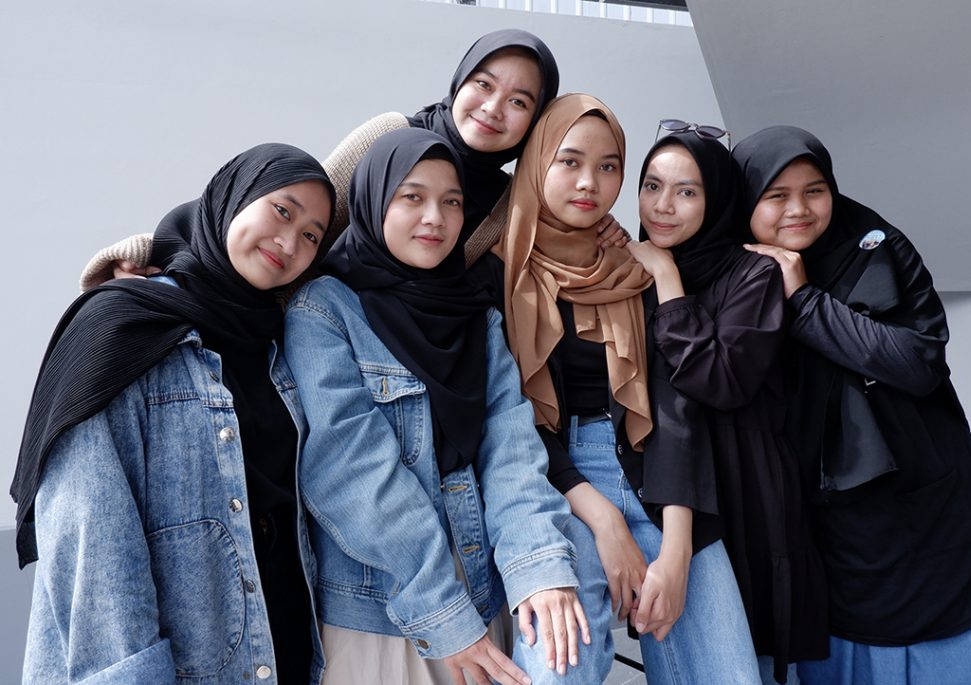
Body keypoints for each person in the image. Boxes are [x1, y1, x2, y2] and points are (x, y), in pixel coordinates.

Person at [283, 127, 614, 685]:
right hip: (386, 608)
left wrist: (538, 569)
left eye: (452, 202)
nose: (435, 217)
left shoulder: (476, 317)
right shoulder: (323, 311)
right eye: (412, 197)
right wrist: (447, 615)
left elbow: (513, 455)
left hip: (482, 586)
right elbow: (354, 477)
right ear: (373, 200)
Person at [14, 143, 337, 683]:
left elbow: (386, 184)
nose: (289, 242)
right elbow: (90, 532)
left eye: (311, 236)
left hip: (283, 651)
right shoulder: (122, 323)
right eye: (282, 210)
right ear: (233, 197)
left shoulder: (278, 339)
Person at [472, 92, 762, 684]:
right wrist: (604, 521)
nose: (590, 182)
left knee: (727, 673)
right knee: (558, 670)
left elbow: (677, 412)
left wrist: (676, 552)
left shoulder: (635, 268)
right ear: (538, 162)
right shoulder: (493, 274)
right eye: (570, 161)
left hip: (659, 479)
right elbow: (504, 422)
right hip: (554, 487)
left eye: (608, 166)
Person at [734, 125, 971, 685]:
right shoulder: (732, 275)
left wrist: (804, 300)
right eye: (776, 195)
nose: (799, 209)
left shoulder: (879, 246)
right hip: (832, 535)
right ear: (745, 201)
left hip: (930, 516)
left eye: (814, 191)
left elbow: (917, 363)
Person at [79, 29, 626, 291]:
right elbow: (293, 207)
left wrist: (610, 233)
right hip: (304, 314)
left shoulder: (509, 201)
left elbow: (560, 231)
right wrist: (150, 250)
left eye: (519, 101)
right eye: (483, 84)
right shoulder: (391, 136)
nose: (492, 108)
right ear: (460, 80)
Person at [625, 128, 829, 684]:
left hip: (746, 487)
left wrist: (667, 278)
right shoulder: (627, 274)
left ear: (715, 198)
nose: (662, 206)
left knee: (744, 660)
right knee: (680, 651)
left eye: (687, 192)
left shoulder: (753, 273)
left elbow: (720, 380)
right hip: (671, 490)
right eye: (652, 186)